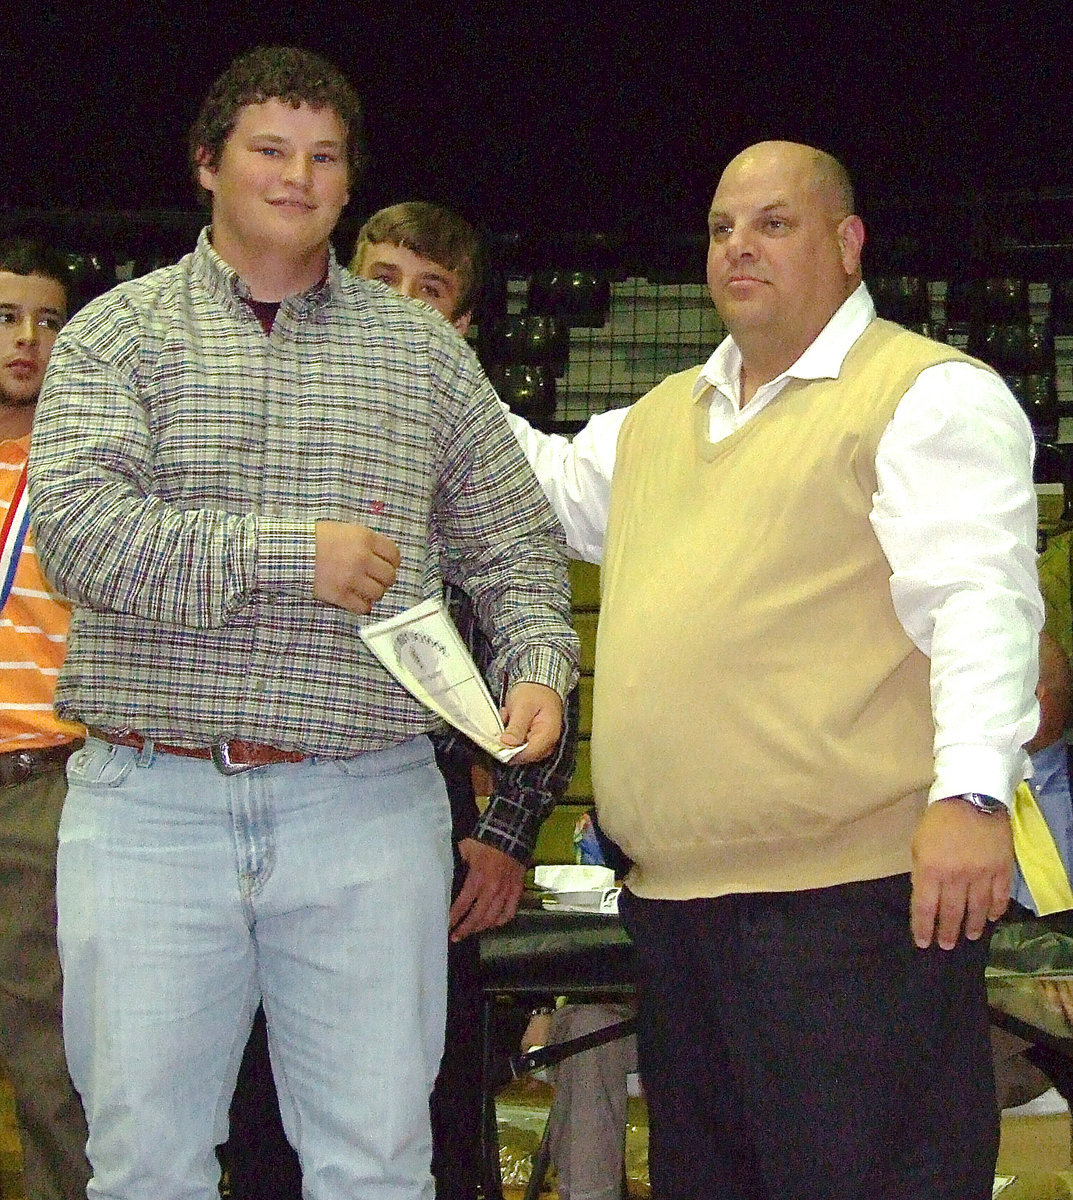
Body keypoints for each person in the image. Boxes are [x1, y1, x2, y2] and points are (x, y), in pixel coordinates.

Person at [27, 47, 578, 1200]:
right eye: (269, 150)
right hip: (148, 808)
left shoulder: (421, 353)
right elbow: (83, 535)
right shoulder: (114, 338)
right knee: (143, 1168)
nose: (297, 177)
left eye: (323, 157)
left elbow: (512, 545)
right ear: (206, 167)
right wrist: (294, 554)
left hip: (366, 807)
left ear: (346, 181)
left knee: (376, 1164)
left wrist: (536, 663)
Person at [507, 140, 1043, 1198]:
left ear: (846, 245)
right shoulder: (660, 419)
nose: (736, 246)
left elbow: (981, 603)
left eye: (771, 223)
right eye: (718, 228)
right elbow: (530, 482)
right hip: (673, 911)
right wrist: (406, 371)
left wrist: (974, 792)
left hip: (852, 906)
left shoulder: (925, 393)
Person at [0, 239, 90, 1200]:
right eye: (5, 318)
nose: (28, 340)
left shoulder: (84, 469)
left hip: (43, 785)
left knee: (50, 1064)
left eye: (49, 320)